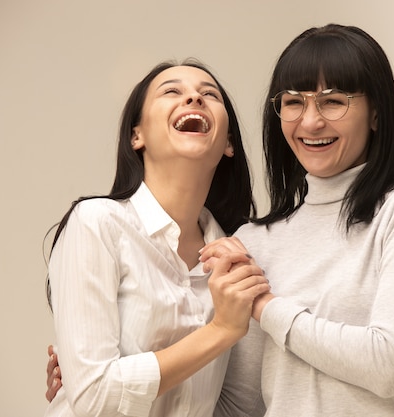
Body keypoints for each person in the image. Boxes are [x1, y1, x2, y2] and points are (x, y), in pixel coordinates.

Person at [47, 23, 394, 416]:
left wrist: (264, 305)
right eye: (294, 102)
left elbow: (388, 365)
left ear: (376, 113)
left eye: (334, 101)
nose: (311, 121)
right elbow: (236, 406)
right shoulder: (251, 243)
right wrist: (92, 379)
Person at [44, 58, 270, 417]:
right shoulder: (98, 224)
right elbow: (95, 399)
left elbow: (238, 405)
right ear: (137, 136)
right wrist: (221, 331)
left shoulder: (240, 259)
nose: (194, 98)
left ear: (228, 143)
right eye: (172, 92)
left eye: (208, 94)